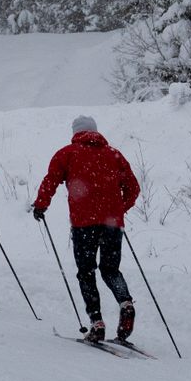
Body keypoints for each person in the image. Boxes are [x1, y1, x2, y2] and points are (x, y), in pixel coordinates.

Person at [32, 115, 140, 342]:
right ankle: (125, 302)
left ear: (75, 133)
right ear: (95, 132)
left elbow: (50, 181)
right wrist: (120, 209)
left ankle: (97, 322)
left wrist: (41, 206)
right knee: (111, 270)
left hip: (84, 224)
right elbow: (133, 188)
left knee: (86, 272)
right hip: (112, 223)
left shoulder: (67, 154)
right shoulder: (114, 154)